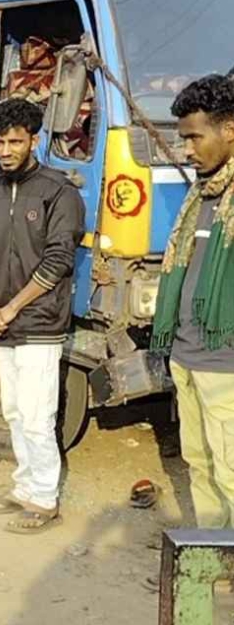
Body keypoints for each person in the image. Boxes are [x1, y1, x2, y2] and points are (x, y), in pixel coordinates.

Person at [0, 98, 84, 534]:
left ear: (34, 141)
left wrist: (12, 307)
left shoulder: (59, 192)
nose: (5, 151)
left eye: (14, 142)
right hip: (0, 321)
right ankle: (23, 487)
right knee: (15, 412)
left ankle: (44, 499)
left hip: (39, 323)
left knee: (38, 417)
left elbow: (58, 261)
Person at [151, 74, 234, 528]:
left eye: (194, 138)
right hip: (186, 357)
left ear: (229, 129)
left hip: (226, 365)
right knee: (200, 468)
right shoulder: (202, 193)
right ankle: (211, 557)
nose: (186, 150)